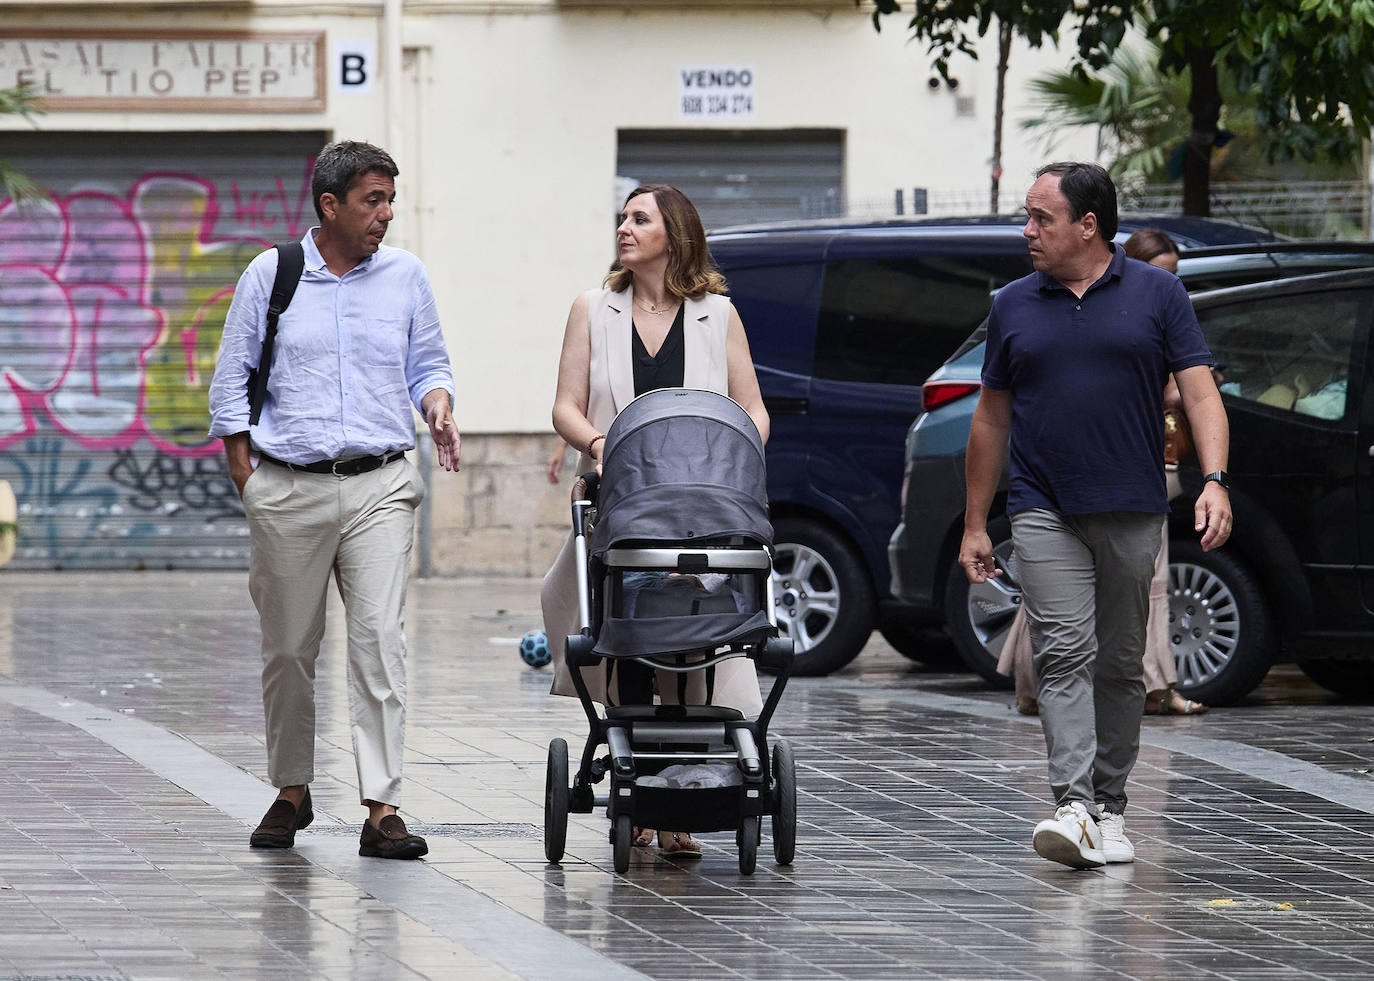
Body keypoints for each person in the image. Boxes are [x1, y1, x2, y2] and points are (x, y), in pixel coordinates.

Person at [960, 163, 1231, 870]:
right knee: (1062, 650)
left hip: (1134, 504)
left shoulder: (1158, 293)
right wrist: (975, 522)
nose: (1027, 231)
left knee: (1119, 662)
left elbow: (1201, 396)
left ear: (1088, 225)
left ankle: (1110, 806)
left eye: (1040, 218)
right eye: (1027, 216)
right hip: (1043, 505)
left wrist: (1215, 480)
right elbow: (990, 418)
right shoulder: (1013, 304)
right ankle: (1073, 803)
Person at [208, 140, 461, 860]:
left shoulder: (406, 276)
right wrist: (247, 481)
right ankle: (292, 790)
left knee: (379, 640)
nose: (385, 213)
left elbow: (429, 364)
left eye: (389, 199)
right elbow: (233, 378)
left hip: (382, 483)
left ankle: (382, 804)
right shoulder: (273, 273)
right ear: (330, 205)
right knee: (289, 648)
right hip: (288, 486)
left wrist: (437, 403)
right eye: (371, 200)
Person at [541, 183, 769, 857]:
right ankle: (643, 798)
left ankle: (681, 798)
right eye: (622, 216)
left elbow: (752, 408)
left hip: (701, 500)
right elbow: (566, 404)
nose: (624, 227)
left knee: (695, 624)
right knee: (627, 617)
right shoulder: (593, 308)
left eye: (640, 218)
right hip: (622, 497)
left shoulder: (717, 315)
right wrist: (596, 442)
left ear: (675, 233)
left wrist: (736, 459)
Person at [996, 228, 1207, 717]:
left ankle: (1144, 688)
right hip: (1062, 484)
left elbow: (1185, 390)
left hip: (1140, 481)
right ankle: (1046, 693)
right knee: (1057, 608)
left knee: (1140, 598)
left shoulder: (1160, 303)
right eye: (1160, 270)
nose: (1166, 281)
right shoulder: (1041, 305)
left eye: (1172, 274)